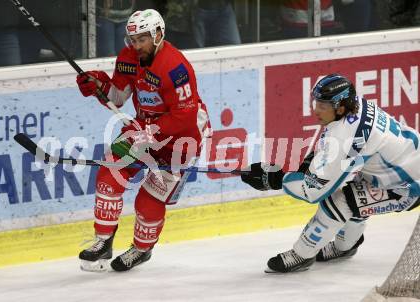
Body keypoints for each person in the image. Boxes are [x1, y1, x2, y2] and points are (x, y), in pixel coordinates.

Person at [76, 9, 211, 272]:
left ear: (159, 34)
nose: (137, 46)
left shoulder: (175, 67)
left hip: (181, 138)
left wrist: (148, 132)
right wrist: (98, 85)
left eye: (143, 39)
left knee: (148, 201)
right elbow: (117, 97)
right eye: (133, 39)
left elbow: (184, 117)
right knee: (110, 170)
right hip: (144, 128)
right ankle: (103, 241)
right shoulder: (129, 57)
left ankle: (141, 248)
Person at [241, 74, 420, 273]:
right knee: (354, 196)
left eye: (323, 105)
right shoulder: (355, 106)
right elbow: (331, 145)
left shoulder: (346, 136)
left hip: (407, 187)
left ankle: (302, 255)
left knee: (339, 200)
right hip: (395, 168)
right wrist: (309, 164)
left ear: (340, 106)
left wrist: (274, 179)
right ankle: (346, 247)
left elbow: (314, 191)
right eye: (316, 102)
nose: (316, 109)